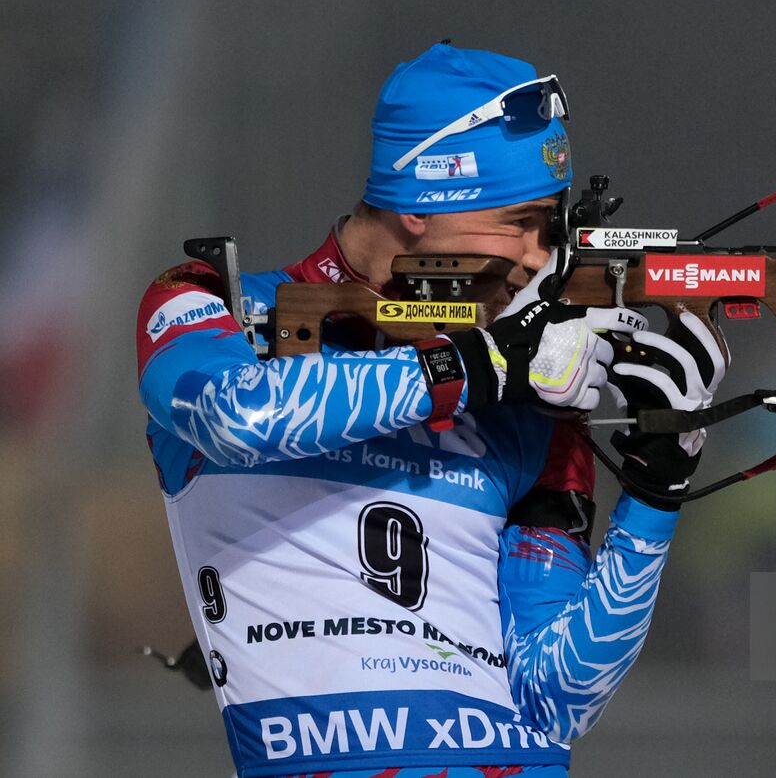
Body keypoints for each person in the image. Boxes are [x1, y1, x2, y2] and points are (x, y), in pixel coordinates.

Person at [136, 43, 725, 778]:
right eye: (525, 222)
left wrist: (656, 487)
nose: (545, 257)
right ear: (421, 204)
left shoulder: (530, 407)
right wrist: (481, 362)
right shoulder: (217, 306)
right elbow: (236, 414)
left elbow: (559, 701)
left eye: (558, 227)